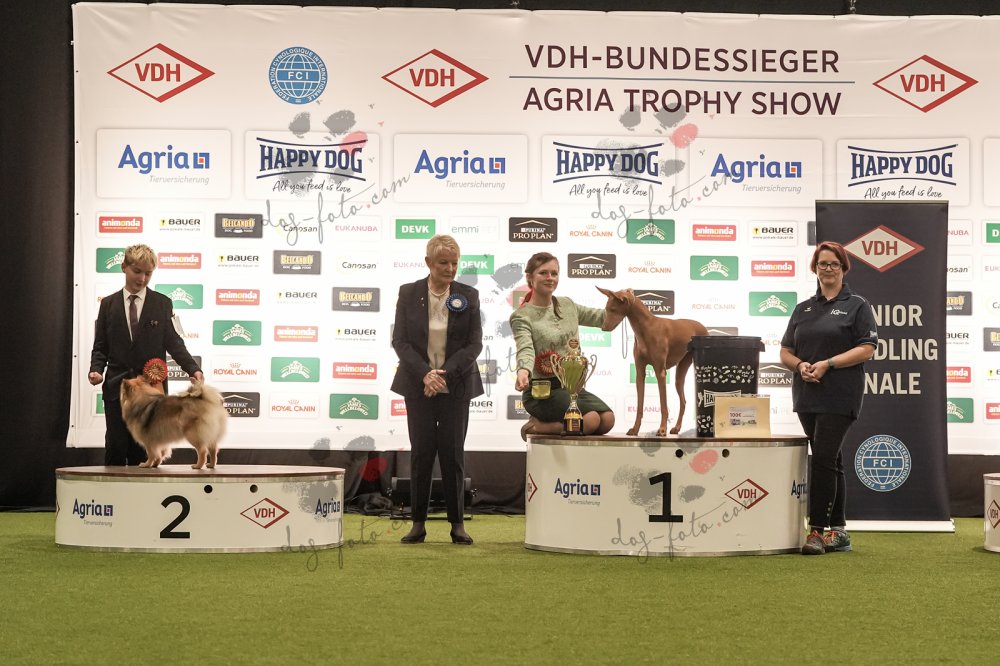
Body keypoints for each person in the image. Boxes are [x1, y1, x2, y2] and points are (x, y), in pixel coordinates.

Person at [780, 241, 878, 555]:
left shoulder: (857, 305)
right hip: (807, 394)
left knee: (822, 458)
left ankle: (817, 532)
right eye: (822, 263)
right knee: (831, 460)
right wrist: (800, 365)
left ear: (843, 268)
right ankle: (839, 531)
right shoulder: (803, 308)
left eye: (834, 264)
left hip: (840, 395)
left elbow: (867, 348)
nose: (828, 269)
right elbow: (785, 350)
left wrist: (829, 363)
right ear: (815, 268)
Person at [391, 235, 483, 545]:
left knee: (453, 454)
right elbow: (400, 341)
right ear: (428, 262)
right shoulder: (409, 293)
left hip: (456, 385)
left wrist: (443, 375)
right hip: (418, 385)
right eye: (443, 262)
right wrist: (425, 375)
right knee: (421, 453)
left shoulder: (468, 294)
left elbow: (474, 343)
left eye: (455, 263)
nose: (450, 268)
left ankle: (457, 524)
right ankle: (417, 524)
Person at [89, 244, 204, 466]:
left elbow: (174, 343)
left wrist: (193, 369)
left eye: (148, 273)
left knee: (145, 451)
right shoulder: (107, 304)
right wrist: (96, 369)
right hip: (116, 389)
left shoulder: (162, 303)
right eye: (137, 271)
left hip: (151, 392)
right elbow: (101, 345)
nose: (142, 278)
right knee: (115, 447)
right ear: (124, 267)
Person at [511, 252, 615, 440]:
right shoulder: (522, 316)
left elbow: (602, 319)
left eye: (554, 273)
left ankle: (550, 425)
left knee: (607, 419)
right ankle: (536, 426)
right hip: (542, 391)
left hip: (571, 387)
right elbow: (525, 348)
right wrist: (523, 371)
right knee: (590, 420)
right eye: (543, 273)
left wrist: (625, 305)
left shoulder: (567, 305)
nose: (550, 278)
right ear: (530, 277)